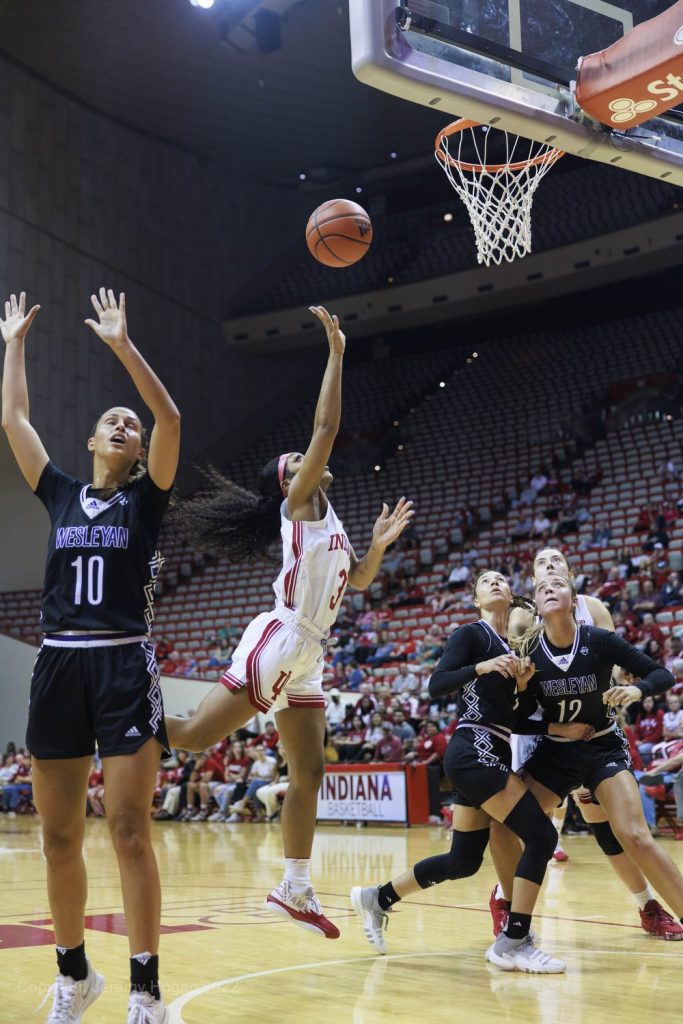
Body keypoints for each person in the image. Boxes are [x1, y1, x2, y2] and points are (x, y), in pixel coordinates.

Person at [165, 306, 413, 939]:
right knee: (194, 738)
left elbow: (356, 581)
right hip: (280, 639)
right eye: (296, 459)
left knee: (310, 773)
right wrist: (335, 352)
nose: (307, 457)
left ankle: (295, 888)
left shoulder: (330, 520)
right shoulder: (299, 504)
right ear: (288, 482)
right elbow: (327, 426)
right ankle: (109, 715)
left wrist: (378, 546)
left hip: (312, 651)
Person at [1, 289, 180, 1023]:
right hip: (59, 664)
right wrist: (12, 342)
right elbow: (13, 418)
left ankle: (145, 990)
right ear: (90, 442)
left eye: (129, 426)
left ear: (137, 453)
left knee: (130, 829)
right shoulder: (62, 493)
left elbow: (170, 417)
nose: (124, 423)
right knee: (59, 835)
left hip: (122, 665)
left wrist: (122, 348)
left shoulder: (147, 502)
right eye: (113, 420)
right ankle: (74, 976)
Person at [351, 570, 585, 973]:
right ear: (477, 600)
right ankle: (516, 940)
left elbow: (516, 719)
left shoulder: (515, 648)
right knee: (542, 835)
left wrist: (529, 693)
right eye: (485, 582)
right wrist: (482, 666)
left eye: (501, 580)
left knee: (464, 861)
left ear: (512, 595)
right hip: (472, 748)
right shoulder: (471, 635)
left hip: (493, 749)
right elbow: (437, 685)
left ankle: (378, 897)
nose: (495, 583)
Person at [494, 547, 683, 941]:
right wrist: (544, 716)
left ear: (573, 594)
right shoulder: (525, 644)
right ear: (534, 596)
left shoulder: (596, 631)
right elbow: (520, 712)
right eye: (542, 579)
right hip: (554, 752)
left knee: (629, 835)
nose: (549, 580)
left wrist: (635, 691)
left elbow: (655, 673)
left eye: (558, 578)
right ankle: (506, 903)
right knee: (505, 824)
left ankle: (653, 907)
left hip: (602, 745)